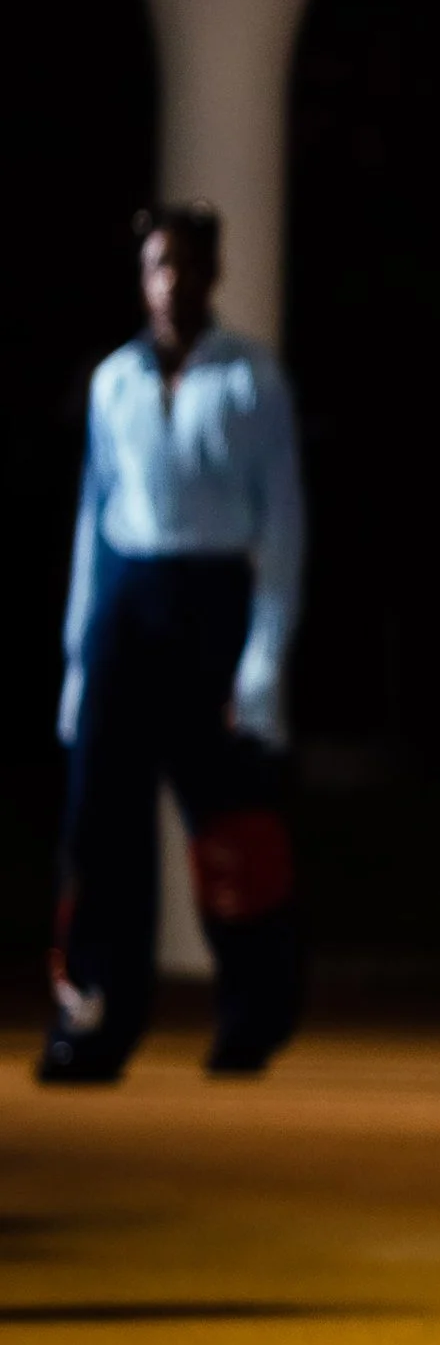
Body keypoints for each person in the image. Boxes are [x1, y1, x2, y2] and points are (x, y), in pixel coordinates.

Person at [40, 202, 306, 1087]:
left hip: (211, 597)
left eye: (188, 264)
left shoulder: (251, 379)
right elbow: (93, 521)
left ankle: (251, 1016)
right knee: (101, 825)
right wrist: (81, 660)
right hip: (129, 596)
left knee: (230, 821)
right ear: (142, 274)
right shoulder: (113, 380)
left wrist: (261, 659)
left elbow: (283, 526)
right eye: (158, 264)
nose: (172, 281)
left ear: (211, 274)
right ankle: (96, 1016)